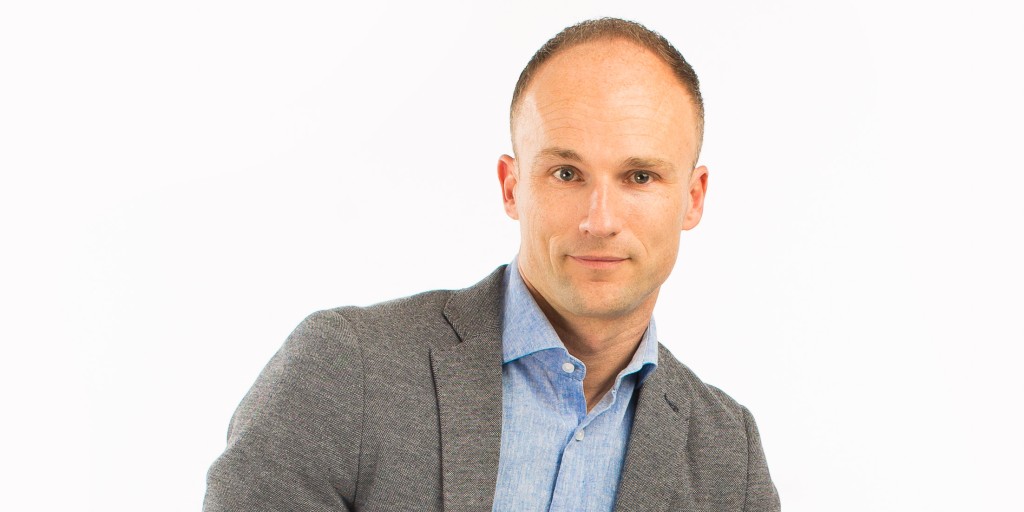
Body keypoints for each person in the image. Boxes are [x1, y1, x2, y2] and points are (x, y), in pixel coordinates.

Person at [204, 17, 780, 512]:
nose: (600, 219)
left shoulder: (729, 458)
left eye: (640, 176)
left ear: (693, 198)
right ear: (511, 186)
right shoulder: (347, 369)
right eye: (566, 173)